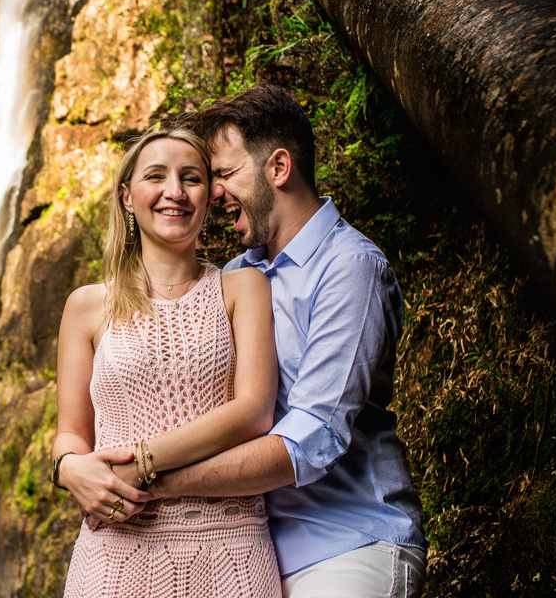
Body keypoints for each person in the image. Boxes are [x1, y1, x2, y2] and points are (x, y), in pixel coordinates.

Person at [137, 84, 427, 597]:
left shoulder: (349, 267)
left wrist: (159, 482)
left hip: (346, 544)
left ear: (278, 167)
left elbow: (314, 437)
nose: (215, 192)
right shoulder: (232, 277)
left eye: (225, 174)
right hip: (245, 549)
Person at [51, 126, 282, 598]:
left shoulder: (243, 289)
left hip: (231, 554)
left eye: (191, 178)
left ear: (208, 196)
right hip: (113, 553)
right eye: (156, 176)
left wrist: (141, 464)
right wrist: (68, 468)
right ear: (127, 197)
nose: (174, 191)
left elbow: (255, 411)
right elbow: (71, 432)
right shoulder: (87, 306)